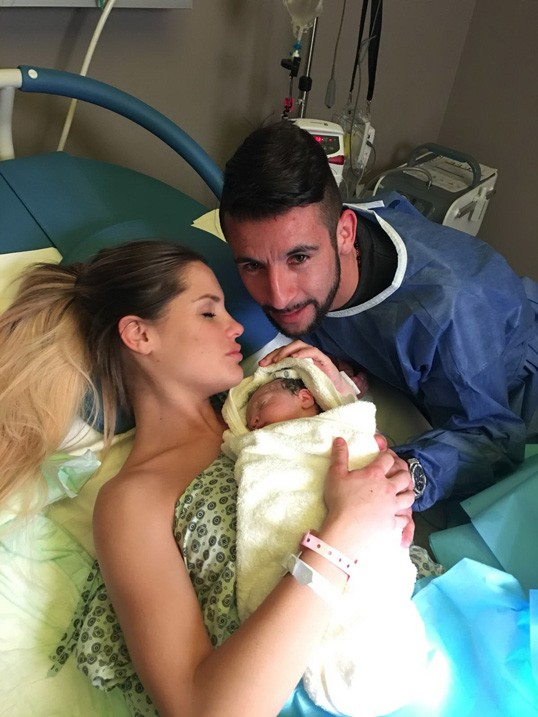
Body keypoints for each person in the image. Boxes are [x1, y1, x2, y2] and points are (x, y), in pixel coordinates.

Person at [0, 239, 415, 717]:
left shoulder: (277, 418)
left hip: (404, 635)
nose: (236, 326)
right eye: (208, 312)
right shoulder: (132, 500)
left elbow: (366, 484)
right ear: (139, 334)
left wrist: (383, 482)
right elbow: (198, 707)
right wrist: (341, 536)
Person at [218, 119, 538, 512]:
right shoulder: (312, 228)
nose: (279, 296)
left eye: (299, 258)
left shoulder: (448, 314)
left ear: (345, 233)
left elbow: (495, 438)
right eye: (252, 265)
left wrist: (407, 472)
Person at [222, 353, 441, 717]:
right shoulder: (262, 449)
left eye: (260, 404)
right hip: (296, 591)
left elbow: (360, 437)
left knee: (374, 590)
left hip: (366, 528)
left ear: (305, 396)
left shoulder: (339, 428)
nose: (254, 419)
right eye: (248, 418)